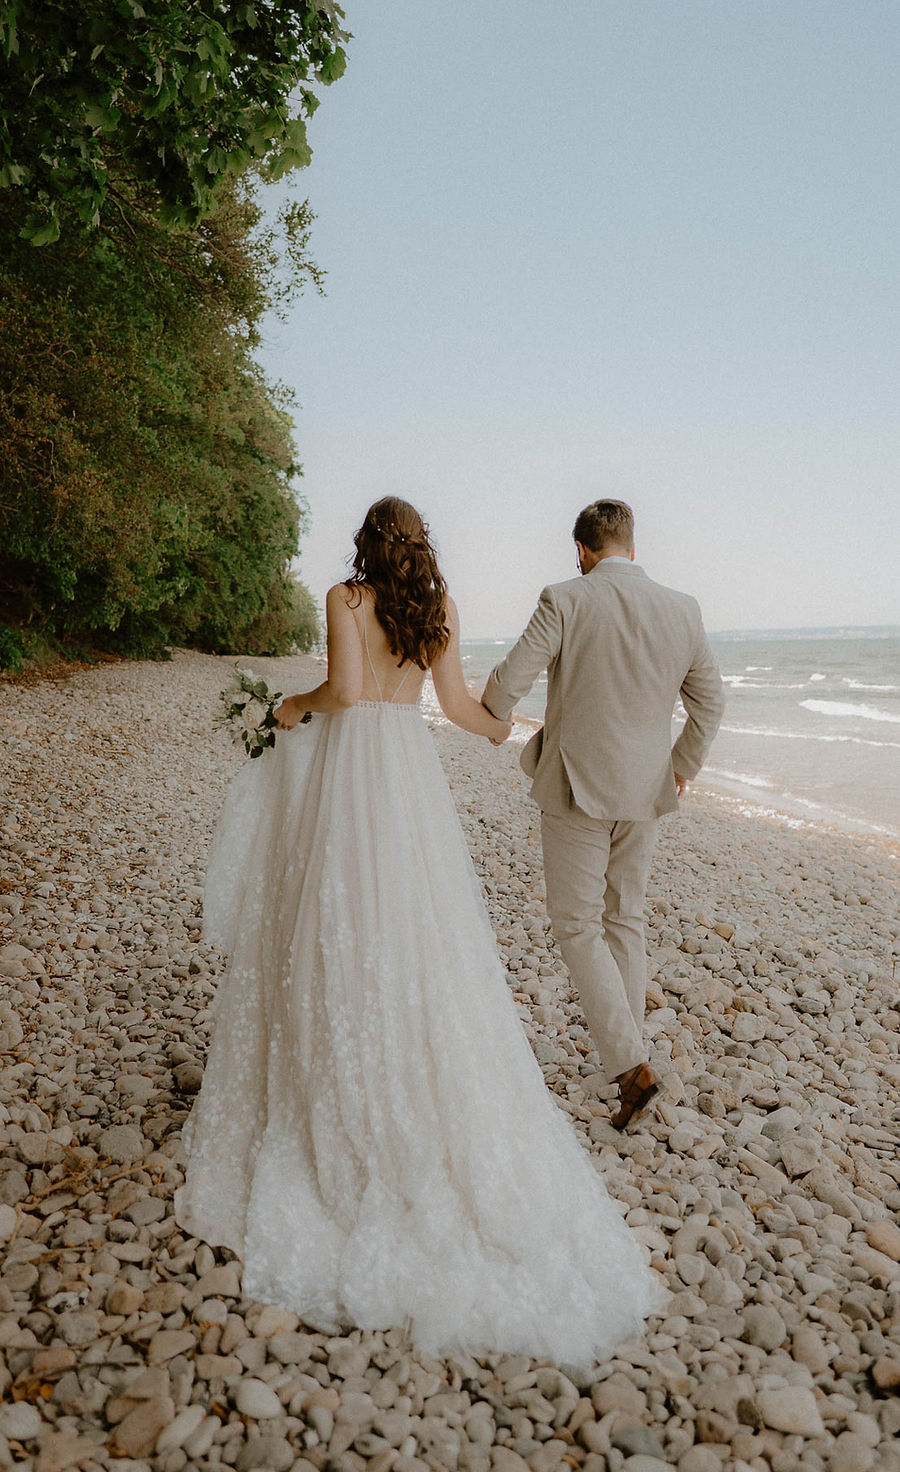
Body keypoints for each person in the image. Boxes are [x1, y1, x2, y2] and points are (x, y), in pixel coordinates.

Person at [175, 496, 663, 1364]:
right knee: (418, 932)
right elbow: (464, 711)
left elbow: (345, 693)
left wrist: (288, 706)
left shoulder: (346, 599)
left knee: (335, 918)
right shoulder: (436, 609)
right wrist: (508, 729)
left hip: (351, 771)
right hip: (407, 784)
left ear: (367, 543)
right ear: (421, 546)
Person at [483, 499, 725, 1132]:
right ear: (633, 549)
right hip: (647, 790)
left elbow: (509, 682)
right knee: (626, 918)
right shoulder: (684, 608)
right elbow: (710, 703)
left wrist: (495, 713)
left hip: (576, 786)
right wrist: (681, 766)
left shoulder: (565, 598)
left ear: (582, 553)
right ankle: (630, 1057)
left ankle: (629, 1065)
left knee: (576, 926)